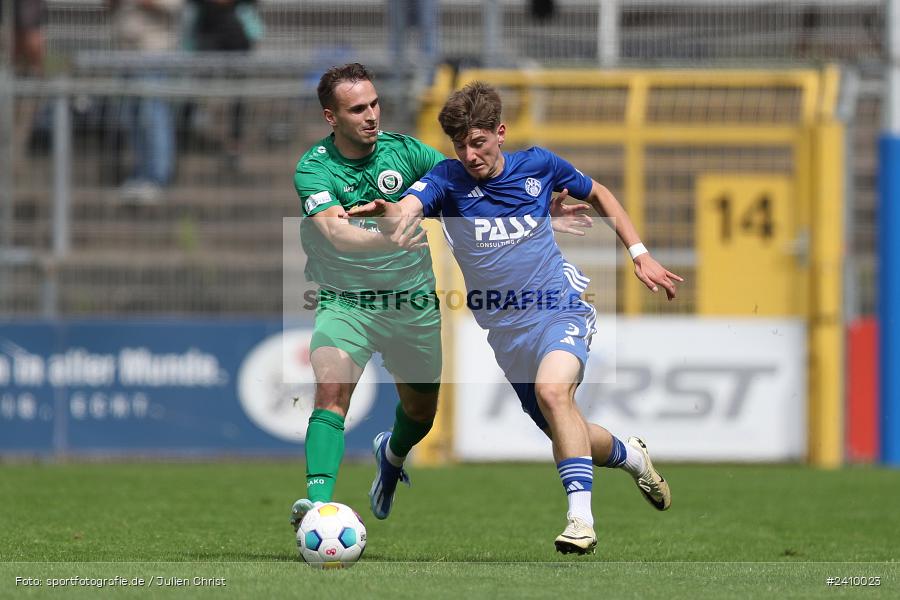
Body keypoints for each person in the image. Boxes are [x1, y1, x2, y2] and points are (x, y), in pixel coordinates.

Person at [350, 81, 683, 555]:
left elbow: (600, 193)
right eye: (460, 144)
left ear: (500, 133)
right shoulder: (446, 180)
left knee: (553, 392)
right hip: (506, 334)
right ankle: (632, 457)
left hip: (559, 307)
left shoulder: (539, 165)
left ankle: (580, 521)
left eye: (479, 142)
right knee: (564, 425)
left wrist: (639, 253)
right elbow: (409, 208)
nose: (470, 154)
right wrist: (392, 215)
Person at [289, 64, 591, 532]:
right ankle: (316, 506)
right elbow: (335, 232)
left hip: (412, 305)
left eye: (374, 103)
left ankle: (391, 456)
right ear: (332, 117)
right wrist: (389, 238)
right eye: (357, 109)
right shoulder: (314, 169)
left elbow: (472, 190)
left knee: (419, 414)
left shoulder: (405, 151)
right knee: (331, 391)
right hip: (347, 301)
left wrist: (539, 216)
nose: (371, 115)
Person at [109, 0, 183, 204]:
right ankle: (140, 174)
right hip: (126, 51)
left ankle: (156, 177)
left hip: (153, 52)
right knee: (132, 117)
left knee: (151, 114)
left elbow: (173, 5)